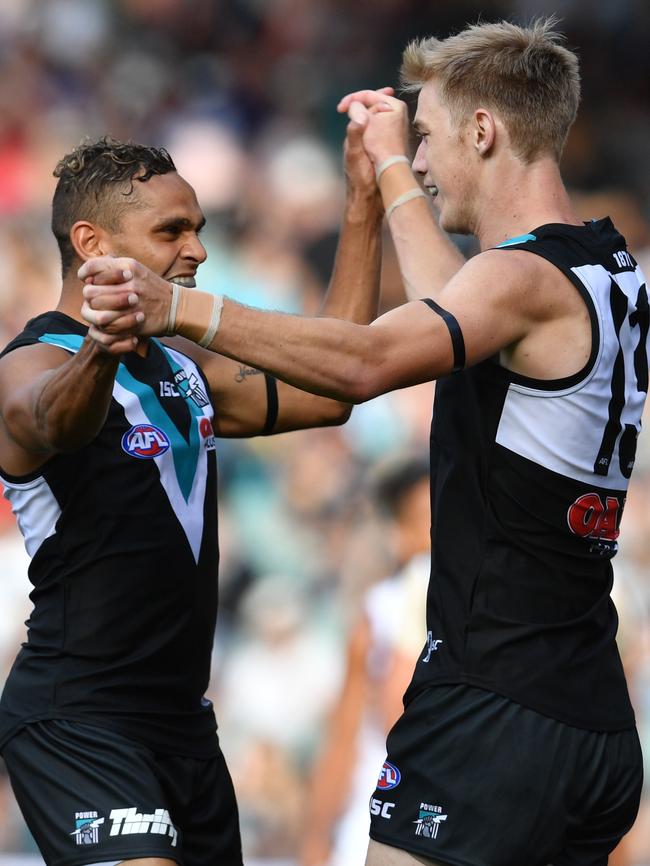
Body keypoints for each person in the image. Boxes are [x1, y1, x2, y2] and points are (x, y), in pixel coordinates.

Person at [80, 17, 649, 866]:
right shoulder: (605, 267)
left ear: (483, 132)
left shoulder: (521, 277)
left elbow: (368, 361)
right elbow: (453, 306)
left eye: (427, 139)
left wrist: (180, 310)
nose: (420, 162)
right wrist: (384, 166)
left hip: (490, 702)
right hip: (589, 712)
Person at [0, 121, 387, 866]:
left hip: (183, 729)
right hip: (78, 718)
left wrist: (362, 203)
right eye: (171, 230)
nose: (198, 250)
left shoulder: (184, 370)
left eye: (199, 229)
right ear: (91, 245)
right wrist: (99, 348)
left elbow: (337, 383)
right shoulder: (29, 366)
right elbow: (55, 419)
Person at [300, 453, 430, 866]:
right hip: (383, 814)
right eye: (428, 519)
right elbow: (347, 735)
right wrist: (317, 839)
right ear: (399, 534)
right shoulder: (380, 613)